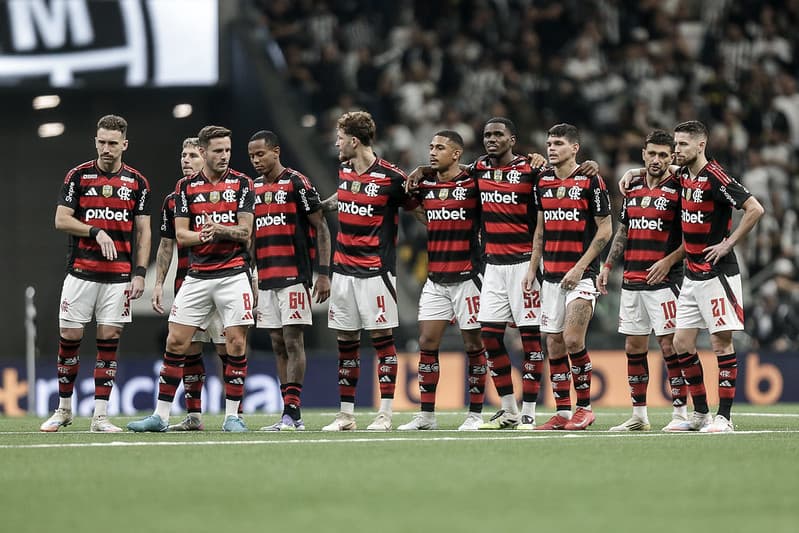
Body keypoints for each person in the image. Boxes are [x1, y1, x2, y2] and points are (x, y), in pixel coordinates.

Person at [127, 125, 255, 433]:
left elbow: (245, 232)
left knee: (235, 343)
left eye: (227, 150)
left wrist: (220, 230)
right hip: (196, 276)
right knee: (176, 341)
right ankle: (160, 416)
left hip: (233, 273)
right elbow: (180, 236)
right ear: (204, 151)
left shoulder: (243, 184)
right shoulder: (184, 189)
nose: (224, 156)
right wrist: (203, 234)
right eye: (217, 150)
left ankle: (232, 417)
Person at [41, 114, 151, 433]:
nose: (106, 148)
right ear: (96, 141)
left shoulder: (137, 183)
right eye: (101, 142)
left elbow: (143, 232)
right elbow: (61, 219)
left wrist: (141, 272)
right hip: (80, 273)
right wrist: (94, 230)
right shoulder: (78, 176)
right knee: (70, 338)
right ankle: (63, 410)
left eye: (112, 143)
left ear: (124, 145)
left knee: (109, 341)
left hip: (118, 278)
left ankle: (100, 417)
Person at [664, 120, 764, 432]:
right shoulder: (682, 176)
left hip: (718, 273)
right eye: (675, 144)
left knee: (721, 344)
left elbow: (755, 209)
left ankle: (725, 418)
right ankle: (700, 414)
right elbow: (652, 174)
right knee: (681, 343)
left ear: (700, 145)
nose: (676, 150)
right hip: (692, 275)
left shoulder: (716, 176)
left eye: (682, 144)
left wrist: (729, 243)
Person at [321, 111, 413, 432]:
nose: (336, 142)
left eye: (340, 137)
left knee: (381, 340)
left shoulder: (392, 177)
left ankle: (384, 415)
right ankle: (346, 415)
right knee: (345, 342)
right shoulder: (345, 171)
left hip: (376, 271)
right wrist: (323, 205)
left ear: (354, 140)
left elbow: (421, 209)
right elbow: (345, 197)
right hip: (343, 271)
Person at [596, 130, 688, 431]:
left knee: (669, 346)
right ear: (644, 154)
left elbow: (695, 235)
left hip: (664, 280)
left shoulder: (680, 186)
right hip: (633, 279)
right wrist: (608, 265)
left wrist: (669, 260)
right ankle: (639, 415)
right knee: (634, 347)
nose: (657, 159)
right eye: (652, 153)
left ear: (672, 157)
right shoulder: (632, 186)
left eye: (664, 154)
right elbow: (624, 230)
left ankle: (681, 414)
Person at [396, 130, 488, 431]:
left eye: (440, 147)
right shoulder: (424, 185)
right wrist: (421, 172)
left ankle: (475, 413)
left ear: (457, 154)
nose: (432, 152)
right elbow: (414, 207)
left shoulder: (473, 181)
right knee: (426, 343)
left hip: (467, 278)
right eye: (431, 147)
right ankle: (426, 415)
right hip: (435, 279)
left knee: (473, 344)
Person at [523, 123, 612, 431]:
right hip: (551, 278)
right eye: (549, 143)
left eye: (558, 143)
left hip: (583, 276)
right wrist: (532, 268)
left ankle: (585, 407)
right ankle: (562, 412)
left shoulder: (591, 180)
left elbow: (605, 229)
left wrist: (580, 267)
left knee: (573, 339)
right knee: (555, 345)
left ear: (574, 148)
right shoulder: (542, 182)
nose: (551, 148)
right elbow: (540, 229)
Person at [247, 130, 331, 431]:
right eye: (252, 156)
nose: (256, 160)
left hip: (295, 275)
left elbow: (321, 227)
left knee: (293, 340)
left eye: (261, 154)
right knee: (277, 343)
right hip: (266, 276)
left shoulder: (297, 182)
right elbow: (252, 236)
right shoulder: (253, 188)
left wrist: (323, 273)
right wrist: (251, 274)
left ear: (276, 151)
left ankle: (293, 412)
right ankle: (288, 412)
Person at [151, 137, 228, 431]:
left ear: (205, 158)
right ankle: (194, 415)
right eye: (183, 155)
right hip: (187, 283)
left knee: (226, 350)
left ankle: (233, 413)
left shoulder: (222, 193)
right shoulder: (173, 199)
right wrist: (159, 283)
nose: (186, 161)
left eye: (193, 156)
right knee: (190, 350)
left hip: (221, 280)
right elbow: (166, 246)